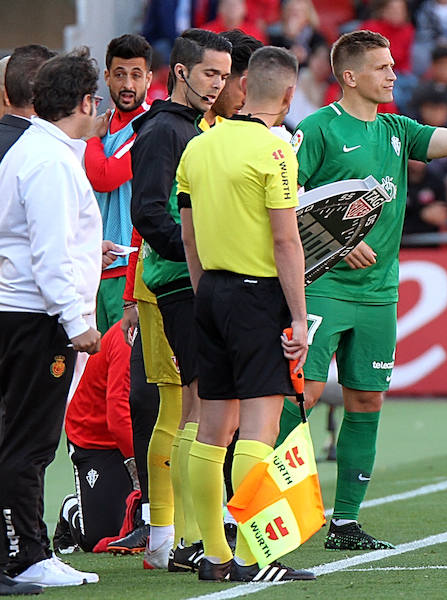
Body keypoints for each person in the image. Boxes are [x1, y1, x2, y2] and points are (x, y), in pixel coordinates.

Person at [293, 29, 447, 550]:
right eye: (382, 67)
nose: (394, 74)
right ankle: (265, 510)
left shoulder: (397, 129)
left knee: (366, 401)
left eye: (392, 65)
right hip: (321, 287)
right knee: (300, 397)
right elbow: (283, 199)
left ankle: (343, 523)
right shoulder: (318, 129)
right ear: (349, 77)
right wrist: (336, 241)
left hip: (379, 293)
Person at [179, 45, 314, 583]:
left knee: (212, 429)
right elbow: (286, 241)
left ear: (241, 87)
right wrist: (300, 319)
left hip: (209, 291)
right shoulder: (276, 152)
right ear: (287, 94)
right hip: (256, 295)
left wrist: (206, 292)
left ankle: (213, 554)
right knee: (258, 427)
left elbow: (187, 236)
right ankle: (256, 558)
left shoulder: (201, 145)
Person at [0, 47, 103, 588]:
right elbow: (47, 252)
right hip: (35, 318)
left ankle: (24, 550)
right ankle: (26, 555)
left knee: (20, 438)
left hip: (23, 311)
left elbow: (41, 240)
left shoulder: (36, 150)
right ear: (85, 102)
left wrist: (92, 251)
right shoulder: (50, 161)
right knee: (30, 442)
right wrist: (75, 321)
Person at [130, 28, 232, 571]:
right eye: (210, 73)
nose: (217, 84)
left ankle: (181, 540)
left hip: (192, 279)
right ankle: (180, 540)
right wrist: (200, 258)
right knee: (194, 406)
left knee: (196, 406)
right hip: (179, 282)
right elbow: (148, 213)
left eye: (224, 74)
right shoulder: (164, 133)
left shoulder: (192, 128)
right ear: (182, 72)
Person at [84, 34, 154, 334]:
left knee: (121, 374)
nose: (128, 85)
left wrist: (89, 137)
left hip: (126, 272)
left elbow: (105, 176)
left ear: (149, 79)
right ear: (107, 77)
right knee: (91, 373)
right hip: (91, 268)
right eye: (120, 74)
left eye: (136, 75)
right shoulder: (102, 124)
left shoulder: (149, 126)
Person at [53, 320, 140, 554]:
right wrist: (139, 466)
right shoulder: (128, 339)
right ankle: (71, 510)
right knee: (101, 538)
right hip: (95, 440)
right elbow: (118, 415)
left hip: (138, 437)